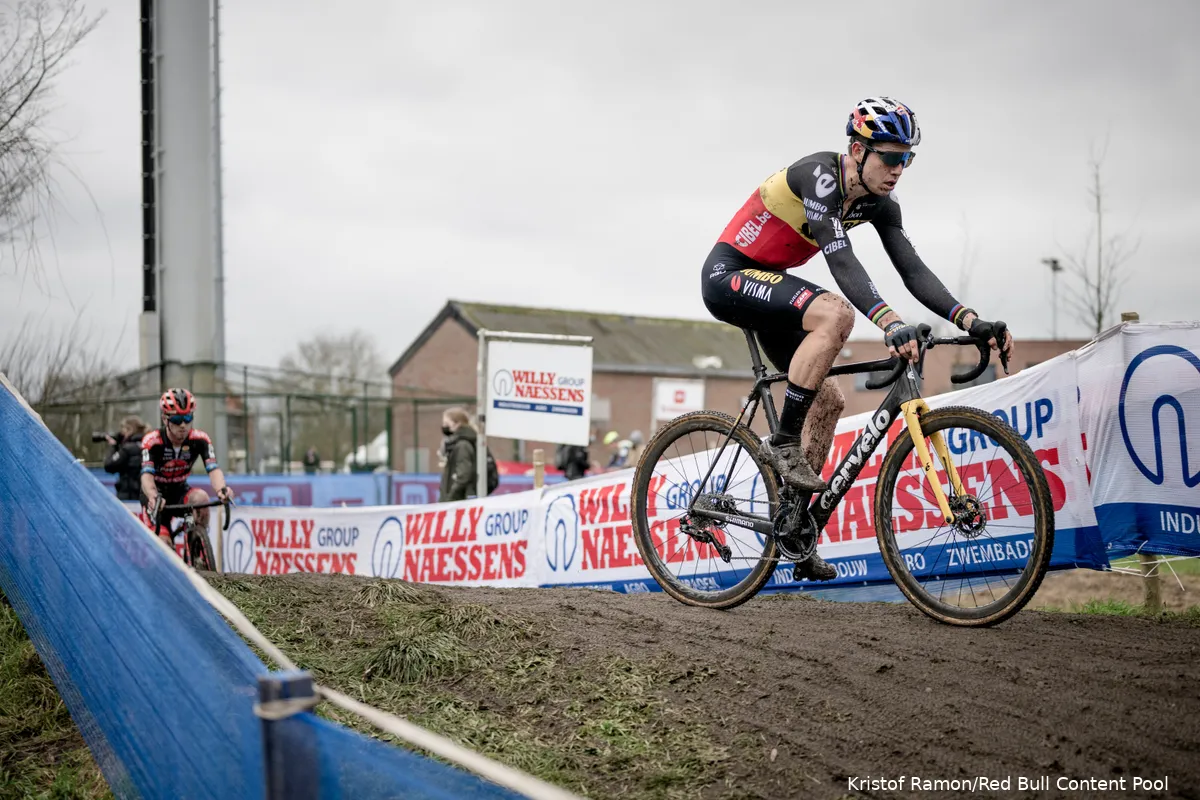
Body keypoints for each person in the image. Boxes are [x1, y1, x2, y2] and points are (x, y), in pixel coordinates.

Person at [701, 96, 1014, 581]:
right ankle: (783, 443)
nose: (898, 169)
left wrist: (969, 320)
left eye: (906, 159)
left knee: (828, 400)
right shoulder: (818, 177)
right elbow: (841, 261)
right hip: (731, 276)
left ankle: (794, 525)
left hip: (775, 291)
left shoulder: (878, 205)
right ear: (857, 150)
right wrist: (889, 323)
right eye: (889, 156)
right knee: (835, 314)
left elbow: (912, 269)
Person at [140, 388, 233, 549]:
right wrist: (153, 495)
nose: (183, 425)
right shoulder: (152, 441)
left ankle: (198, 548)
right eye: (177, 420)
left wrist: (221, 489)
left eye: (188, 418)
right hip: (155, 496)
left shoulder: (200, 440)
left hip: (179, 491)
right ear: (165, 419)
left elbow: (213, 469)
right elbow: (146, 476)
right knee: (164, 546)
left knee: (201, 498)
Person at [437, 407, 499, 502]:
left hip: (458, 501)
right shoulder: (461, 443)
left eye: (446, 423)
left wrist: (450, 498)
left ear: (457, 424)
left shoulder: (462, 445)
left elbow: (463, 475)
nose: (444, 426)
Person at [102, 416, 148, 500]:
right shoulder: (148, 445)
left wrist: (113, 447)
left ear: (129, 430)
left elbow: (109, 465)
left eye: (123, 431)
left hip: (128, 496)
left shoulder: (127, 449)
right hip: (145, 495)